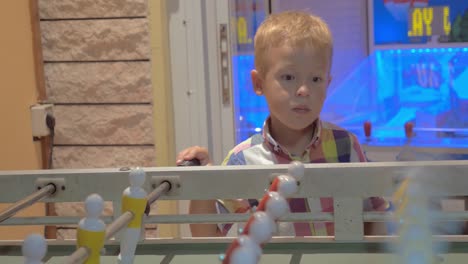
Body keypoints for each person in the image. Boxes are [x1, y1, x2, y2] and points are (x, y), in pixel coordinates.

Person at [177, 11, 390, 237]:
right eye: (288, 77)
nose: (304, 90)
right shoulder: (241, 161)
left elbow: (375, 217)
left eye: (315, 79)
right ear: (259, 83)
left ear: (327, 84)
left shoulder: (347, 146)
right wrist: (201, 182)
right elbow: (207, 237)